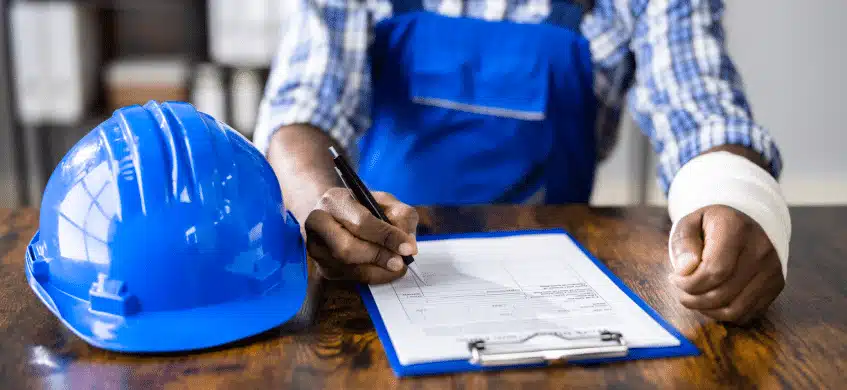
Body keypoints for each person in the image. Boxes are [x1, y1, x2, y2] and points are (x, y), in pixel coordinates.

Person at [252, 0, 790, 325]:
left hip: (558, 296)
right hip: (381, 285)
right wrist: (323, 210)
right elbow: (300, 115)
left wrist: (733, 194)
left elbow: (701, 110)